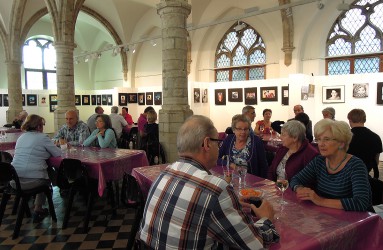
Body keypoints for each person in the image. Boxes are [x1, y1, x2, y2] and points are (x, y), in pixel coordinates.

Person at [139, 115, 279, 249]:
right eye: (217, 142)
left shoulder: (164, 173)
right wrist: (266, 219)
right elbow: (255, 244)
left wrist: (228, 204)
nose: (219, 148)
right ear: (207, 144)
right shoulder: (214, 189)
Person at [290, 119, 372, 212]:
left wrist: (320, 201)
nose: (320, 144)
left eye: (326, 139)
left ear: (341, 143)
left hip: (356, 220)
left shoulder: (355, 165)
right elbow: (295, 179)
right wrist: (299, 188)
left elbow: (361, 203)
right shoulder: (319, 161)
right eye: (319, 139)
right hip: (327, 216)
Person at [11, 114, 62, 222]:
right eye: (42, 125)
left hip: (14, 180)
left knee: (44, 172)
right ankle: (38, 208)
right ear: (38, 126)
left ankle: (60, 185)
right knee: (45, 178)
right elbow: (57, 153)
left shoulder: (21, 137)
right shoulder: (42, 137)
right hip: (31, 180)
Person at [347, 109, 382, 178]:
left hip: (346, 174)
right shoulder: (375, 137)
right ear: (364, 120)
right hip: (365, 173)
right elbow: (376, 160)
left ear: (350, 120)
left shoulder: (345, 137)